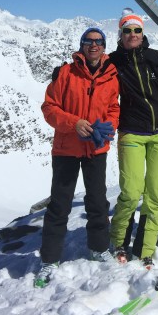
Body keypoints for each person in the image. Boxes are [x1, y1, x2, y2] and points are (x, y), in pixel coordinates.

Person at [35, 28, 120, 288]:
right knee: (59, 205)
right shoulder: (65, 73)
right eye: (88, 41)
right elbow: (49, 108)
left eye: (98, 41)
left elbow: (114, 108)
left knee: (97, 201)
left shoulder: (111, 76)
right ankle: (50, 259)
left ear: (104, 46)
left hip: (95, 148)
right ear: (82, 45)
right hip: (66, 149)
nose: (94, 45)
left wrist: (109, 126)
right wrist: (75, 124)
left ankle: (99, 248)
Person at [109, 8, 158, 268]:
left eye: (137, 29)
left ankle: (145, 249)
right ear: (121, 34)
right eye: (127, 30)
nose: (133, 34)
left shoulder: (156, 58)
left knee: (155, 195)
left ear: (143, 32)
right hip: (131, 131)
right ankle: (118, 240)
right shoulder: (112, 62)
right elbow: (91, 74)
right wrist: (67, 71)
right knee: (131, 191)